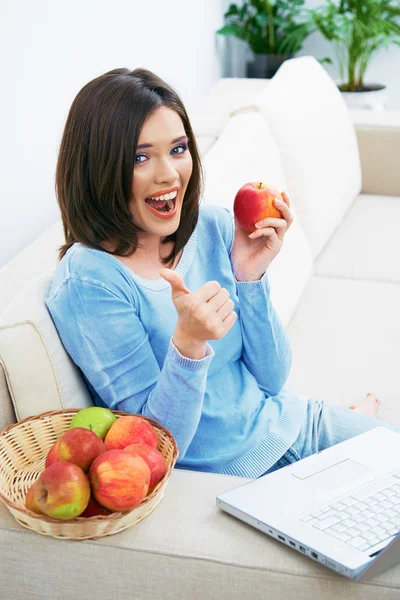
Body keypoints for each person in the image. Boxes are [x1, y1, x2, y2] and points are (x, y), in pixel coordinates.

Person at [45, 67, 399, 479]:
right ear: (97, 168)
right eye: (140, 157)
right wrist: (188, 345)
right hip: (236, 479)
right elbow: (157, 446)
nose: (169, 174)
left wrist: (251, 278)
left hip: (296, 424)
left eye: (178, 149)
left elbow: (272, 380)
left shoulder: (211, 226)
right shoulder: (90, 283)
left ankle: (353, 417)